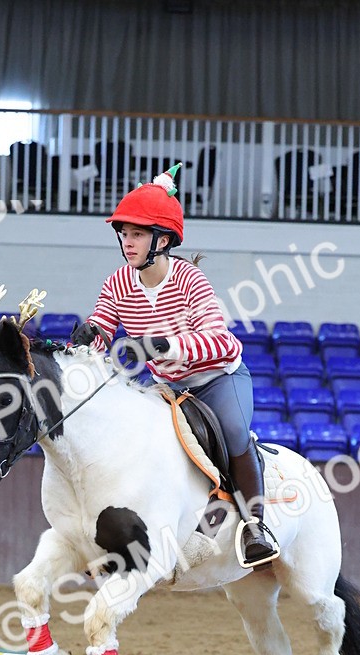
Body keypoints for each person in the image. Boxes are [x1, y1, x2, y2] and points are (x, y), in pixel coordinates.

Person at [72, 164, 277, 569]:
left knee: (234, 431)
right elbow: (101, 331)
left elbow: (219, 340)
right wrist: (84, 338)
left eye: (136, 235)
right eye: (124, 234)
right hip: (170, 387)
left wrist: (165, 344)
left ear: (162, 239)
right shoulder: (117, 283)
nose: (127, 243)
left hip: (219, 377)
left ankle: (256, 525)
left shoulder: (190, 280)